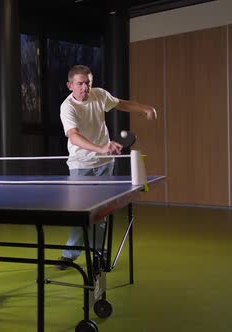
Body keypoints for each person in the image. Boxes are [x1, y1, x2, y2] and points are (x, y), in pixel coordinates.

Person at [57, 64, 156, 270]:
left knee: (100, 213)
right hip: (80, 164)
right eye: (80, 84)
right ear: (70, 86)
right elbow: (74, 137)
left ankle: (98, 254)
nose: (85, 87)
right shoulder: (68, 107)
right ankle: (70, 254)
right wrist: (100, 148)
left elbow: (121, 104)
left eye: (88, 83)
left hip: (104, 164)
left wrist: (144, 108)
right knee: (79, 212)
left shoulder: (99, 95)